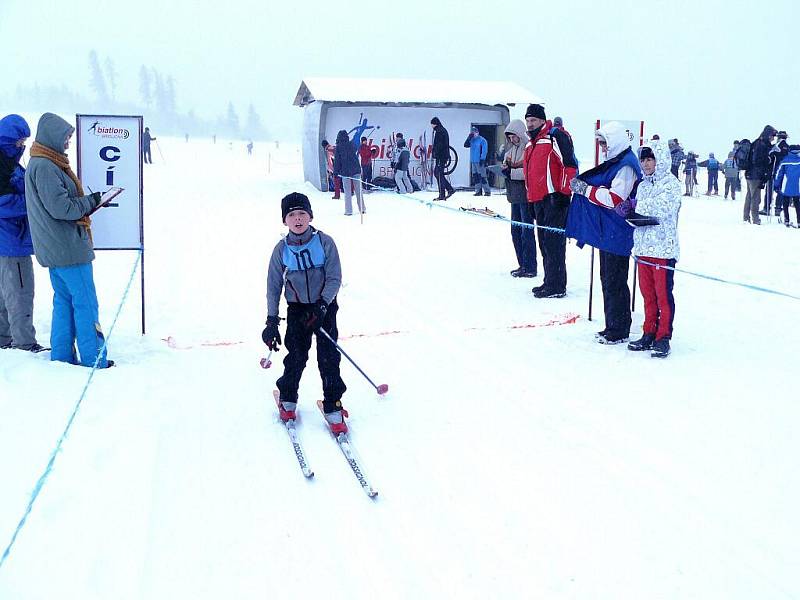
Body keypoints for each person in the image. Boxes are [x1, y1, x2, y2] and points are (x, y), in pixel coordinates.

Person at [24, 112, 112, 368]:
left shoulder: (41, 164)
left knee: (63, 303)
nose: (68, 142)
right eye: (66, 137)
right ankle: (94, 358)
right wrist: (93, 201)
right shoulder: (46, 167)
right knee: (85, 304)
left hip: (56, 250)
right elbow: (62, 208)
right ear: (52, 137)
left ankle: (62, 357)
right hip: (69, 250)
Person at [262, 192, 348, 434]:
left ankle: (334, 406)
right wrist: (271, 321)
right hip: (298, 310)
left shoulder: (325, 242)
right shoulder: (281, 250)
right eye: (291, 215)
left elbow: (334, 276)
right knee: (296, 355)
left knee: (329, 357)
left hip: (324, 308)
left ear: (310, 216)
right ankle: (288, 400)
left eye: (302, 213)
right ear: (284, 220)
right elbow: (273, 285)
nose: (297, 219)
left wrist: (322, 305)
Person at [567, 121, 642, 344]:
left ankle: (619, 329)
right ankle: (612, 325)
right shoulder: (617, 162)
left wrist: (586, 190)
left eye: (604, 143)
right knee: (607, 279)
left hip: (618, 232)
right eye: (600, 143)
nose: (602, 148)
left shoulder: (626, 165)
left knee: (616, 280)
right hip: (608, 232)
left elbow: (614, 199)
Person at [626, 141, 681, 358]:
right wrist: (630, 215)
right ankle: (649, 331)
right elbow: (638, 216)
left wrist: (634, 207)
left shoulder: (671, 183)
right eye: (643, 159)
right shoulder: (642, 185)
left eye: (650, 159)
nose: (646, 164)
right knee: (647, 294)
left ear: (660, 160)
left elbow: (662, 210)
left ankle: (663, 336)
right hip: (642, 248)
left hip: (663, 250)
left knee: (663, 296)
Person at [522, 103, 577, 298]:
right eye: (528, 120)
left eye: (533, 120)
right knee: (544, 243)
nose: (530, 124)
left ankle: (557, 285)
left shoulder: (554, 137)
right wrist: (530, 200)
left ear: (542, 120)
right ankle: (549, 280)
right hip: (538, 201)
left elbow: (569, 166)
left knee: (554, 244)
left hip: (554, 199)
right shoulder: (530, 144)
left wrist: (563, 194)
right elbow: (529, 175)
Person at [0, 114, 44, 352]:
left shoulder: (10, 164)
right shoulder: (2, 166)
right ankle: (25, 344)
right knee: (20, 293)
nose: (22, 146)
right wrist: (31, 201)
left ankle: (3, 339)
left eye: (25, 141)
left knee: (5, 295)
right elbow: (3, 202)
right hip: (10, 242)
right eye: (18, 141)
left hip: (7, 241)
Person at [504, 119, 537, 278]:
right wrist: (505, 169)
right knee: (515, 231)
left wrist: (510, 172)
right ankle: (522, 263)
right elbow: (506, 164)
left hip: (525, 197)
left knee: (526, 231)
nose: (512, 140)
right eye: (509, 137)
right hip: (514, 197)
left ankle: (530, 266)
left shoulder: (528, 149)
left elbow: (528, 172)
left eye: (513, 136)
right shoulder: (510, 151)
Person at [743, 125, 777, 225]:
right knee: (755, 198)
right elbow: (758, 160)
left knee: (749, 196)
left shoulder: (756, 142)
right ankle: (755, 219)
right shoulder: (761, 145)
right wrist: (769, 160)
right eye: (772, 136)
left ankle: (746, 217)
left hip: (750, 173)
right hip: (755, 175)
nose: (773, 138)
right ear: (768, 134)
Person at [333, 130, 364, 216]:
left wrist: (335, 172)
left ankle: (348, 211)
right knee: (358, 190)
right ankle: (362, 209)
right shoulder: (351, 144)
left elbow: (337, 161)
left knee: (347, 192)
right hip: (356, 170)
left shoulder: (338, 147)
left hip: (345, 172)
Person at [773, 144, 800, 228]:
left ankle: (786, 219)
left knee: (785, 203)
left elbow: (779, 174)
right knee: (797, 203)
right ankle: (799, 221)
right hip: (798, 186)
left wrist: (776, 185)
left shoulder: (785, 160)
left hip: (786, 186)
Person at [430, 117, 455, 201]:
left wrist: (435, 153)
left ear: (435, 124)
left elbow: (439, 145)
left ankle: (442, 194)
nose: (431, 126)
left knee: (438, 174)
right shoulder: (441, 130)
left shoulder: (439, 131)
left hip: (441, 156)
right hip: (442, 156)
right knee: (438, 173)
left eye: (432, 124)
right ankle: (450, 189)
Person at [767, 130, 789, 217]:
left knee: (770, 190)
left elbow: (771, 157)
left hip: (774, 170)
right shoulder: (787, 147)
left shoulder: (776, 146)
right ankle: (778, 208)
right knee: (780, 190)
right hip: (783, 171)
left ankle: (767, 207)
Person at [464, 126, 490, 196]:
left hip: (479, 160)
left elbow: (484, 150)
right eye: (472, 133)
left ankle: (487, 191)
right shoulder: (472, 140)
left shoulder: (482, 140)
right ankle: (478, 190)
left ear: (478, 132)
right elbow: (465, 145)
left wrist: (482, 159)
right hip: (473, 160)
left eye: (475, 132)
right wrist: (469, 138)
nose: (474, 134)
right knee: (476, 176)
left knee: (482, 176)